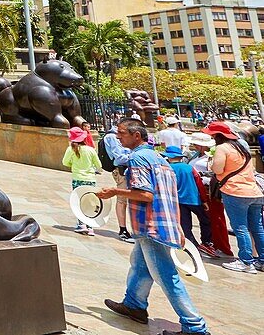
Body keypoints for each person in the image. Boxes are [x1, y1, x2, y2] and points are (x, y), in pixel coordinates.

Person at [99, 119, 209, 335]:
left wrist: (114, 191)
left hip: (150, 225)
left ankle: (194, 326)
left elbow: (145, 194)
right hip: (161, 223)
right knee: (140, 266)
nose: (118, 137)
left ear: (136, 135)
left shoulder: (138, 158)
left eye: (122, 133)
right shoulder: (160, 159)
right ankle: (134, 305)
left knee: (166, 275)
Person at [204, 121, 264, 273]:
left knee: (241, 228)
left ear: (218, 135)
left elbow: (218, 169)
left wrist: (211, 164)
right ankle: (262, 260)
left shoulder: (222, 148)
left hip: (235, 191)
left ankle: (246, 261)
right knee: (257, 227)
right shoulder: (241, 147)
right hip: (254, 191)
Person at [164, 145, 218, 258]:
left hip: (179, 201)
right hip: (194, 199)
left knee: (185, 224)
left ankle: (191, 245)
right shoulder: (189, 167)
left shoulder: (167, 168)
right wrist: (204, 200)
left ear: (168, 157)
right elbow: (199, 183)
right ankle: (207, 242)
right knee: (205, 220)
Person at [100, 122, 136, 243]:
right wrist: (135, 156)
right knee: (122, 199)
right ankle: (123, 229)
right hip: (121, 171)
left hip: (130, 169)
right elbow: (119, 157)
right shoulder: (112, 137)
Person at [64, 126, 100, 236]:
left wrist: (73, 165)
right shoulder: (90, 150)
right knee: (89, 202)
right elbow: (99, 165)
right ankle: (90, 226)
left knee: (78, 202)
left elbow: (65, 162)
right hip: (90, 180)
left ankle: (81, 224)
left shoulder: (71, 149)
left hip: (77, 179)